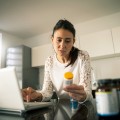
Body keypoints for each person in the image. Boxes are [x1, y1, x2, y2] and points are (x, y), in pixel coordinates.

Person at [22, 19, 93, 103]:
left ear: (73, 41)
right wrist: (37, 95)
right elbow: (47, 92)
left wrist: (83, 95)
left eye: (67, 41)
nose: (62, 46)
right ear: (52, 40)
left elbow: (87, 91)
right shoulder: (49, 61)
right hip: (62, 107)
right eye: (59, 40)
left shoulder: (83, 56)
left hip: (82, 105)